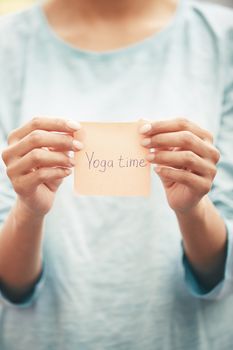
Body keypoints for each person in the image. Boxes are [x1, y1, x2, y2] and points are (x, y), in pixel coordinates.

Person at [0, 0, 233, 349]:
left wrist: (193, 209)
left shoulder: (222, 40)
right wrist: (28, 210)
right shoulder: (8, 45)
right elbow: (10, 284)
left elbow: (223, 272)